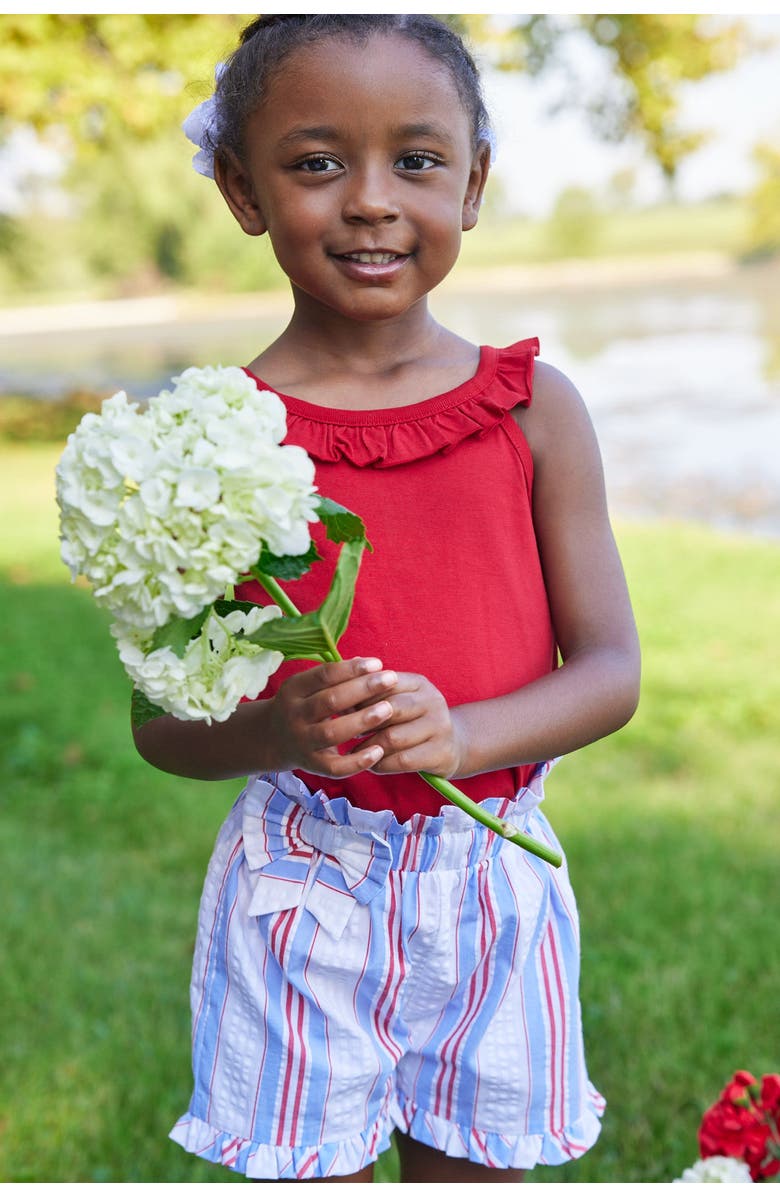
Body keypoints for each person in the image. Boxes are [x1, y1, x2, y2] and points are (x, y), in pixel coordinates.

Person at [133, 14, 640, 1184]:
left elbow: (611, 669)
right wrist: (273, 728)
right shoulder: (214, 440)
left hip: (490, 885)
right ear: (241, 189)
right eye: (317, 162)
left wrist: (465, 735)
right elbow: (155, 721)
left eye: (415, 160)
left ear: (473, 184)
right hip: (298, 885)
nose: (370, 200)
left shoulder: (533, 410)